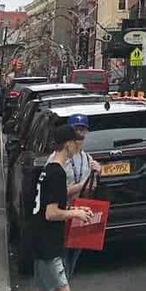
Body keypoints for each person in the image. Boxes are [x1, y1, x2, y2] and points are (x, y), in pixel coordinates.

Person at [27, 124, 98, 291]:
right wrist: (74, 213)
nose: (78, 146)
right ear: (67, 144)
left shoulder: (48, 170)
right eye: (76, 142)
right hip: (48, 240)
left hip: (38, 236)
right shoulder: (57, 173)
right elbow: (51, 213)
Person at [50, 114, 103, 279]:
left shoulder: (87, 159)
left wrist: (98, 173)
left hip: (80, 215)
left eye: (83, 130)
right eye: (76, 130)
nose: (80, 134)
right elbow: (52, 192)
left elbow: (91, 187)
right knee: (62, 257)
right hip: (62, 215)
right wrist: (78, 187)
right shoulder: (57, 160)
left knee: (74, 256)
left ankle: (64, 285)